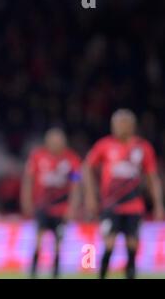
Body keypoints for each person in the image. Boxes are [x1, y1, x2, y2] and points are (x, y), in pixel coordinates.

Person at [83, 109, 164, 279]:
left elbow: (152, 178)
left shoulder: (143, 148)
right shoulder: (104, 145)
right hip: (110, 206)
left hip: (134, 206)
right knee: (109, 244)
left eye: (123, 123)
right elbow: (87, 167)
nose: (119, 127)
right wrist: (90, 195)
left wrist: (158, 204)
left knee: (132, 246)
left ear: (132, 125)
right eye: (116, 123)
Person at [21, 128, 81, 278]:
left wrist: (72, 207)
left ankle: (55, 273)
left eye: (59, 141)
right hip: (42, 207)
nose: (56, 144)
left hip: (61, 208)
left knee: (58, 243)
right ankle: (33, 272)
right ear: (47, 142)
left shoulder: (71, 159)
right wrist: (26, 200)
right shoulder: (37, 156)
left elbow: (76, 184)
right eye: (53, 141)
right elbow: (29, 179)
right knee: (39, 239)